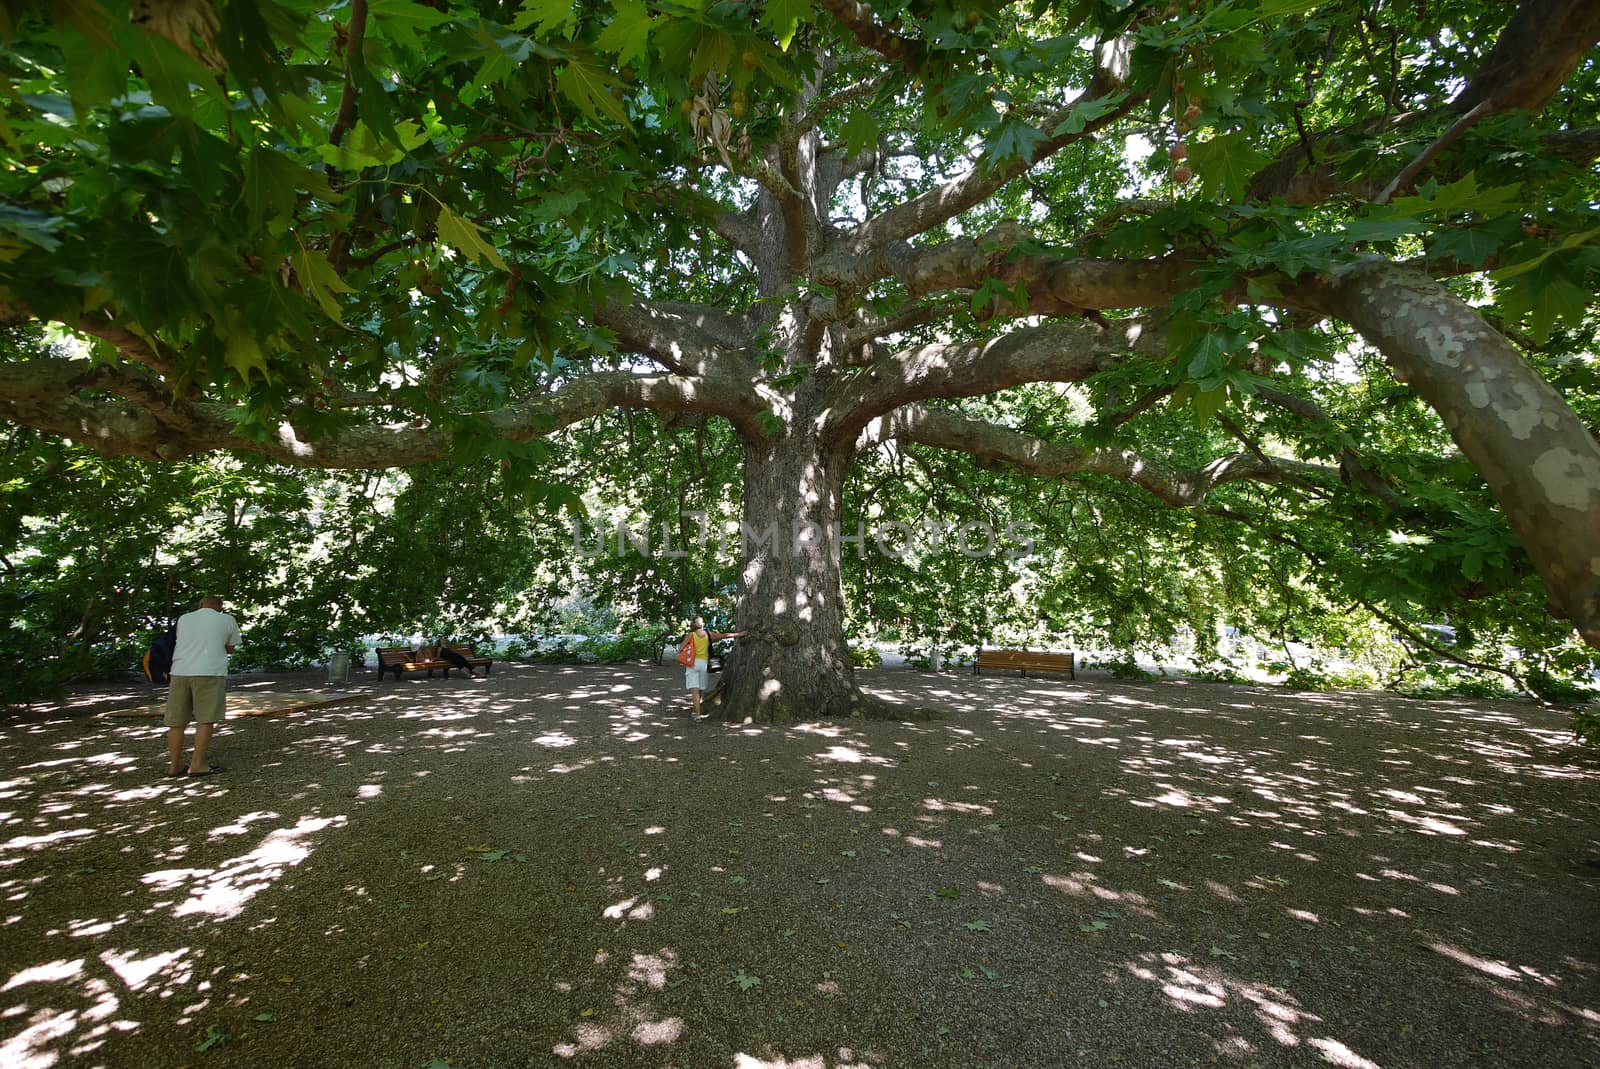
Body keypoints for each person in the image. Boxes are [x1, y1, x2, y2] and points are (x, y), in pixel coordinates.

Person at [164, 596, 242, 778]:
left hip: (180, 671)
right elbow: (231, 648)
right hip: (209, 672)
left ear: (200, 605)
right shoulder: (227, 619)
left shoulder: (185, 618)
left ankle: (174, 765)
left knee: (176, 721)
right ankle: (197, 764)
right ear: (220, 608)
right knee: (205, 719)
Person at [684, 616, 743, 719]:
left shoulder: (690, 636)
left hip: (692, 663)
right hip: (703, 663)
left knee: (694, 689)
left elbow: (681, 648)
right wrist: (739, 634)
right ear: (702, 624)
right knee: (700, 688)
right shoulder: (708, 635)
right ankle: (697, 709)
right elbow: (724, 635)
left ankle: (696, 714)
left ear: (693, 625)